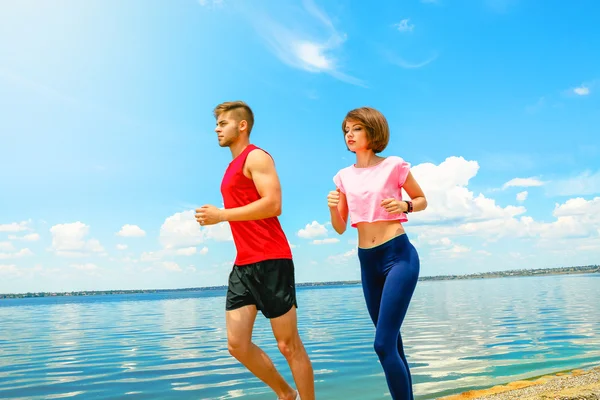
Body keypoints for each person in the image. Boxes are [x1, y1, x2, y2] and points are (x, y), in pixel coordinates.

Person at [195, 101, 314, 400]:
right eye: (217, 124)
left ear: (242, 125)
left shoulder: (256, 157)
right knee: (237, 345)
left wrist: (222, 215)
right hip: (244, 264)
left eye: (222, 123)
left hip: (272, 259)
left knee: (288, 345)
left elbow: (273, 204)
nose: (216, 129)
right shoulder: (231, 167)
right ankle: (286, 394)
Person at [327, 106, 427, 400]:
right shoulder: (343, 176)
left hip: (399, 256)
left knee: (382, 344)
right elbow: (340, 227)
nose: (349, 134)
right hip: (367, 261)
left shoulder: (394, 165)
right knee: (393, 344)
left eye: (356, 128)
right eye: (346, 129)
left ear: (372, 131)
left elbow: (421, 199)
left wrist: (405, 206)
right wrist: (333, 207)